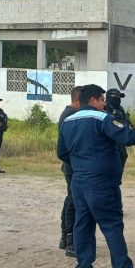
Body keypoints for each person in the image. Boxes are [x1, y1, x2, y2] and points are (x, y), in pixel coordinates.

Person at [57, 84, 135, 268]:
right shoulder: (102, 118)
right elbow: (127, 136)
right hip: (101, 182)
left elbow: (61, 152)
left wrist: (81, 165)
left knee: (83, 224)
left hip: (79, 181)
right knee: (112, 224)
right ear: (93, 100)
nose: (104, 104)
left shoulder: (67, 121)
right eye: (102, 100)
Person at [57, 85, 83, 257]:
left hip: (73, 166)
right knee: (73, 202)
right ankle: (69, 239)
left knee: (71, 200)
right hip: (73, 167)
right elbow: (63, 149)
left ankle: (66, 237)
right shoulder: (70, 116)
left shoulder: (70, 114)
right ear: (78, 100)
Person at [104, 88, 135, 169]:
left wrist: (129, 125)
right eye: (115, 97)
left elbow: (124, 120)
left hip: (119, 138)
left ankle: (117, 178)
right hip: (108, 138)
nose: (118, 99)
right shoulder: (104, 108)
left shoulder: (120, 108)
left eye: (119, 97)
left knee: (123, 155)